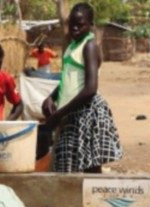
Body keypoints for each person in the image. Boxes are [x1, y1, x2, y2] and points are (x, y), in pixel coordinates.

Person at [42, 3, 122, 173]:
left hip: (87, 112)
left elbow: (90, 88)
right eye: (72, 24)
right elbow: (68, 79)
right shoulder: (71, 47)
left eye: (80, 24)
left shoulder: (89, 45)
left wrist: (59, 114)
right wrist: (51, 97)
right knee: (69, 164)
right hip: (72, 112)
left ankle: (95, 199)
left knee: (89, 167)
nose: (75, 28)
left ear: (91, 25)